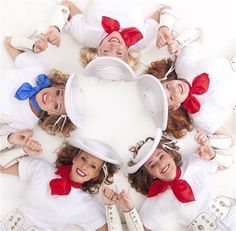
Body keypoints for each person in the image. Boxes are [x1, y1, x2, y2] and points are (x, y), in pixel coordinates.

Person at [0, 133, 124, 231]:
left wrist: (110, 206)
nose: (84, 166)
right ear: (75, 157)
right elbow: (1, 167)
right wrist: (23, 151)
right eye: (83, 158)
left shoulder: (86, 206)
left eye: (93, 166)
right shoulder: (41, 168)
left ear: (96, 174)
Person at [125, 128, 235, 231]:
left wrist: (212, 155)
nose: (161, 164)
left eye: (161, 156)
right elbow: (141, 228)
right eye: (152, 165)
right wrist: (128, 209)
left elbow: (228, 163)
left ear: (170, 155)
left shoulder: (194, 161)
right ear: (151, 175)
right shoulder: (156, 200)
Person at [145, 27, 236, 147]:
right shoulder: (199, 116)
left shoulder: (183, 66)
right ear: (175, 106)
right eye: (171, 98)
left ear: (167, 80)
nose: (174, 90)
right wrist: (209, 141)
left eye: (167, 87)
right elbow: (230, 140)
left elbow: (198, 32)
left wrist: (178, 42)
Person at [45, 0, 177, 69]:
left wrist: (55, 26)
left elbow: (67, 4)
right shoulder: (140, 40)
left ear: (98, 49)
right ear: (127, 54)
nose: (114, 46)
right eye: (119, 53)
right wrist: (164, 27)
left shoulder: (85, 35)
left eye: (106, 51)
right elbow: (165, 10)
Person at [1, 35, 80, 139]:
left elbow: (3, 137)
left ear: (52, 113)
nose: (51, 98)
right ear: (57, 85)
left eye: (56, 106)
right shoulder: (36, 70)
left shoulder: (26, 123)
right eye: (58, 93)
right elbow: (8, 42)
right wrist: (32, 45)